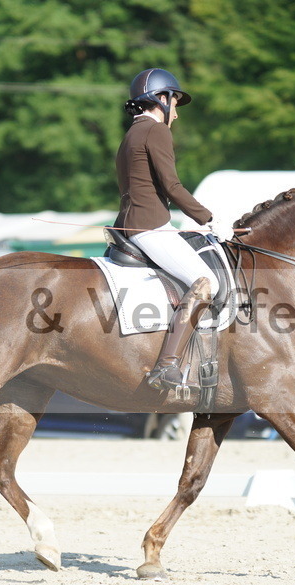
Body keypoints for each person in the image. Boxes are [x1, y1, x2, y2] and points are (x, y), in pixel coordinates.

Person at [114, 67, 217, 391]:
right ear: (162, 98)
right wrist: (208, 218)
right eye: (175, 103)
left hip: (131, 223)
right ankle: (168, 365)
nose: (177, 114)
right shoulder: (157, 132)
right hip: (150, 226)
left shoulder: (131, 134)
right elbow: (171, 186)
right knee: (207, 281)